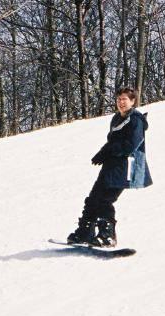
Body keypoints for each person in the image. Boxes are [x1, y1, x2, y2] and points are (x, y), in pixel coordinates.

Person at [67, 87, 153, 247]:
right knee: (93, 197)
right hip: (112, 165)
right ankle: (86, 231)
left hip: (126, 166)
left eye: (125, 99)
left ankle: (108, 235)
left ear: (133, 101)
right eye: (119, 99)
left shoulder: (136, 120)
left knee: (105, 199)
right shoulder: (116, 118)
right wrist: (102, 153)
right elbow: (112, 141)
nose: (121, 102)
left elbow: (131, 144)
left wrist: (109, 151)